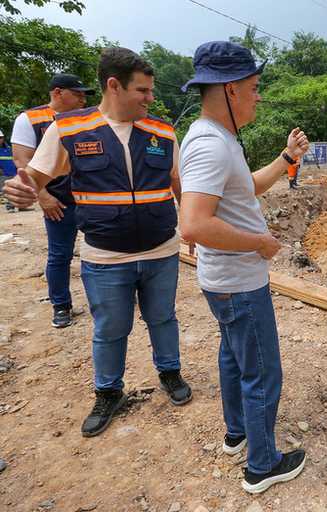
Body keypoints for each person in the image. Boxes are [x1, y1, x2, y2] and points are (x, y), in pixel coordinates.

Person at [3, 48, 192, 438]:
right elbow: (35, 177)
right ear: (113, 85)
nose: (150, 98)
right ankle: (108, 392)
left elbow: (178, 184)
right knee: (110, 328)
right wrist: (24, 191)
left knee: (163, 318)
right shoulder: (69, 129)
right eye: (142, 90)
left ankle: (170, 373)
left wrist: (192, 226)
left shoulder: (162, 131)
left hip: (161, 252)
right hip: (105, 258)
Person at [178, 41, 310, 495]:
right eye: (254, 88)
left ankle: (237, 433)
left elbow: (245, 189)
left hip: (225, 281)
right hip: (238, 281)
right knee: (262, 371)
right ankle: (262, 464)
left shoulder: (218, 138)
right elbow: (194, 223)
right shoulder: (210, 145)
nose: (259, 96)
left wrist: (287, 159)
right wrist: (259, 242)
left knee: (235, 357)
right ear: (230, 90)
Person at [10, 73, 94, 326]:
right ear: (57, 92)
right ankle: (61, 306)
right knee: (60, 255)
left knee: (99, 251)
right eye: (77, 93)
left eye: (84, 95)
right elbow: (22, 161)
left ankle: (108, 299)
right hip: (58, 201)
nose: (82, 99)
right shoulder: (30, 119)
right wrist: (43, 197)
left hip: (90, 198)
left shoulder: (86, 119)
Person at [0, 130, 17, 212]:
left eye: (1, 138)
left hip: (13, 173)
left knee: (16, 190)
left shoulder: (9, 149)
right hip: (3, 175)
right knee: (7, 191)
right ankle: (10, 207)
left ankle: (21, 206)